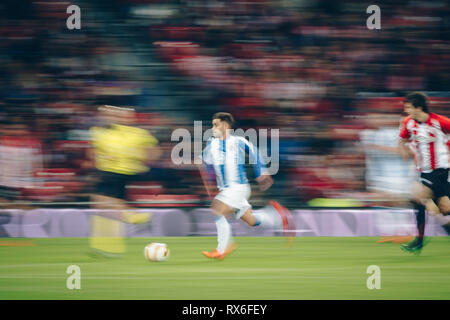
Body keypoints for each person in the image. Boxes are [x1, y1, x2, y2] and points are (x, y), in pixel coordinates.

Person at [199, 112, 295, 260]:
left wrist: (261, 172)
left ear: (225, 126)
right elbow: (205, 162)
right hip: (227, 190)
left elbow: (255, 152)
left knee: (217, 210)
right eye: (212, 125)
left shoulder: (238, 141)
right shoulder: (211, 144)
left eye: (216, 124)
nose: (213, 128)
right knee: (251, 220)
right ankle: (278, 217)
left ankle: (221, 249)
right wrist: (208, 179)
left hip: (238, 188)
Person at [88, 105, 161, 257]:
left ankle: (134, 217)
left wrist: (139, 158)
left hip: (111, 172)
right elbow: (155, 152)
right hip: (119, 172)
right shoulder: (139, 133)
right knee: (107, 206)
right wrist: (141, 159)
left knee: (102, 202)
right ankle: (110, 247)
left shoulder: (106, 132)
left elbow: (153, 152)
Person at [398, 92, 450, 254]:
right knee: (424, 203)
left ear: (419, 107)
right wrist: (403, 150)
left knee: (435, 206)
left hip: (442, 171)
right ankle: (419, 241)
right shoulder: (408, 123)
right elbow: (402, 140)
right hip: (424, 172)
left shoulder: (440, 122)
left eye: (408, 107)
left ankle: (419, 241)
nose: (406, 110)